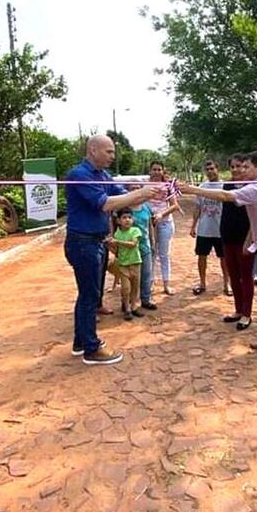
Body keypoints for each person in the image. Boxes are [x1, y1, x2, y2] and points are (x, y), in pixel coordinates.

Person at [181, 151, 257, 351]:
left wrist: (192, 189)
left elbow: (225, 195)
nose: (242, 170)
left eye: (247, 167)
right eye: (240, 167)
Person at [65, 135, 165, 365]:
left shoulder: (102, 175)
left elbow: (121, 194)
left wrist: (149, 192)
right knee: (90, 296)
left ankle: (81, 343)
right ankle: (91, 349)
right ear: (93, 150)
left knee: (89, 294)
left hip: (96, 242)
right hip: (83, 243)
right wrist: (141, 193)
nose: (113, 156)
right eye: (109, 151)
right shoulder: (79, 175)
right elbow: (106, 204)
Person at [220, 154, 254, 330]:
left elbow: (253, 217)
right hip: (228, 237)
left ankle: (247, 314)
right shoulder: (227, 185)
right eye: (232, 167)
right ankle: (238, 310)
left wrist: (250, 239)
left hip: (245, 239)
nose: (235, 170)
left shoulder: (253, 187)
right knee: (233, 275)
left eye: (239, 166)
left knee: (245, 277)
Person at [190, 160, 230, 295]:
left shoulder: (225, 186)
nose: (210, 171)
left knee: (224, 258)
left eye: (212, 168)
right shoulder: (202, 186)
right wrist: (193, 226)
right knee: (202, 256)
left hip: (221, 230)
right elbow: (198, 208)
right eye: (207, 169)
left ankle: (227, 284)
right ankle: (202, 283)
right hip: (204, 229)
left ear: (217, 169)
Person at [108, 208, 145, 321]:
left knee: (135, 287)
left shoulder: (135, 231)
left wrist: (117, 242)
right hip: (123, 264)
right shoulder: (117, 234)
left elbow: (133, 244)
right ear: (118, 221)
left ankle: (133, 306)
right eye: (124, 218)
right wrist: (109, 245)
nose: (127, 220)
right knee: (126, 288)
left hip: (135, 263)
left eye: (129, 217)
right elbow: (116, 250)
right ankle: (127, 308)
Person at [148, 160, 177, 295]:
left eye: (159, 169)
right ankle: (150, 282)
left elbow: (175, 205)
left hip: (165, 223)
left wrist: (161, 214)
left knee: (164, 254)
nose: (156, 172)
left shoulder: (168, 186)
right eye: (154, 169)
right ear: (150, 171)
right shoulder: (145, 184)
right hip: (150, 224)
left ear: (162, 171)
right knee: (151, 253)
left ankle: (166, 284)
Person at [131, 192, 157, 310]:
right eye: (133, 189)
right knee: (132, 275)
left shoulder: (146, 207)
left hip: (145, 245)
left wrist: (152, 241)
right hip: (129, 247)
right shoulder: (125, 207)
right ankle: (129, 301)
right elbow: (116, 224)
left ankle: (146, 299)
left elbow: (150, 225)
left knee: (146, 273)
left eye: (138, 189)